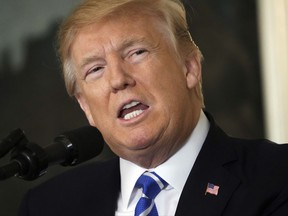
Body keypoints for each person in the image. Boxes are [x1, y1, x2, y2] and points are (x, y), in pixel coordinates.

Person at [19, 0, 288, 215]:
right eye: (96, 69)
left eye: (136, 52)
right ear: (85, 106)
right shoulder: (48, 206)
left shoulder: (276, 176)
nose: (118, 80)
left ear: (190, 67)